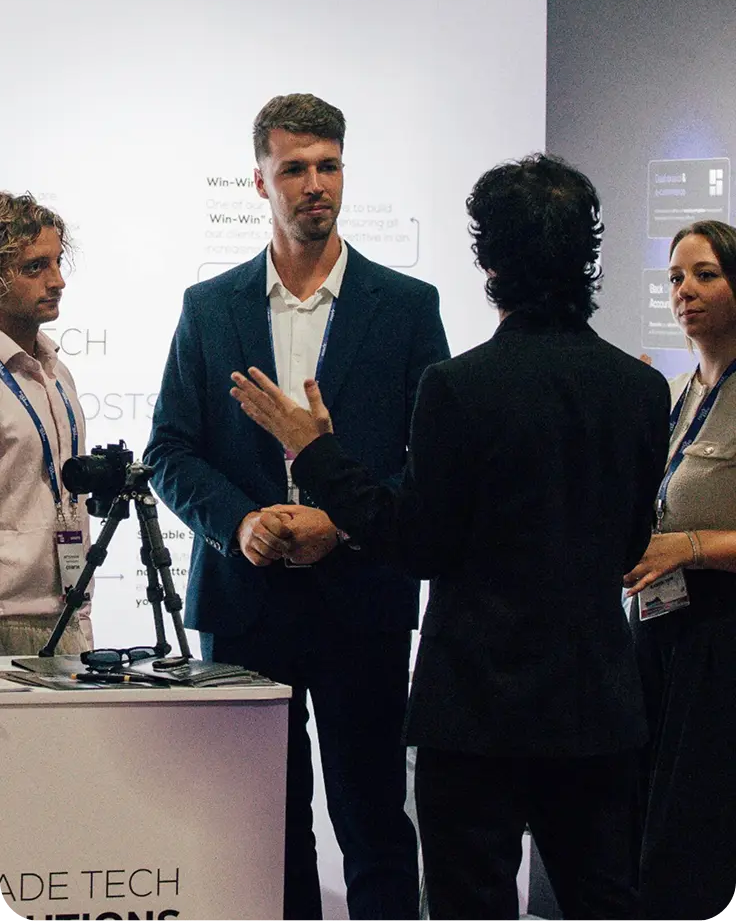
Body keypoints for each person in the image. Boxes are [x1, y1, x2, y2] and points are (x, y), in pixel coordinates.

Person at [230, 153, 672, 921]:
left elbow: (418, 542)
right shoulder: (641, 388)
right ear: (588, 254)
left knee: (471, 905)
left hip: (476, 708)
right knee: (606, 899)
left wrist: (318, 453)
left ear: (489, 260)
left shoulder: (460, 388)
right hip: (594, 700)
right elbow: (631, 542)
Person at [144, 93, 449, 921]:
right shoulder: (210, 308)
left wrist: (341, 521)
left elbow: (433, 461)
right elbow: (169, 449)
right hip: (247, 606)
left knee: (376, 824)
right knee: (261, 833)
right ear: (259, 182)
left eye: (329, 166)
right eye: (295, 169)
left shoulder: (408, 306)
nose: (316, 184)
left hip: (364, 601)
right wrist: (240, 522)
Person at [624, 220, 736, 921]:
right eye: (674, 278)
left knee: (699, 830)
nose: (685, 291)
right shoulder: (672, 393)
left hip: (724, 634)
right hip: (660, 630)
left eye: (705, 274)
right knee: (647, 816)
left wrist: (690, 547)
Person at [0, 191, 93, 656]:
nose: (56, 281)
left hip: (68, 608)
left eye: (57, 263)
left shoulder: (57, 371)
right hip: (6, 616)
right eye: (34, 267)